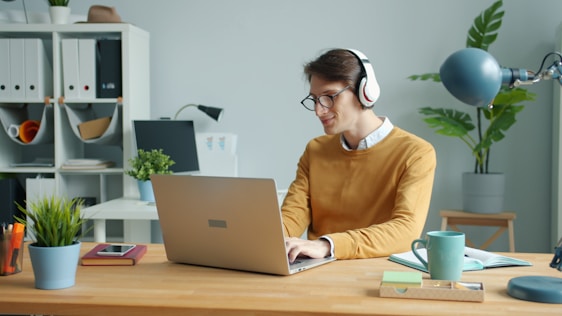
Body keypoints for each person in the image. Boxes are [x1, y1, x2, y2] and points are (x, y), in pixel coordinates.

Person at [282, 48, 436, 263]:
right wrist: (269, 235)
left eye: (328, 97)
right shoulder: (315, 149)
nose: (319, 110)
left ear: (365, 92)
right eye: (315, 99)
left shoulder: (415, 152)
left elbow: (406, 230)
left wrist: (327, 245)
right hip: (318, 271)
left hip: (376, 273)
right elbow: (294, 213)